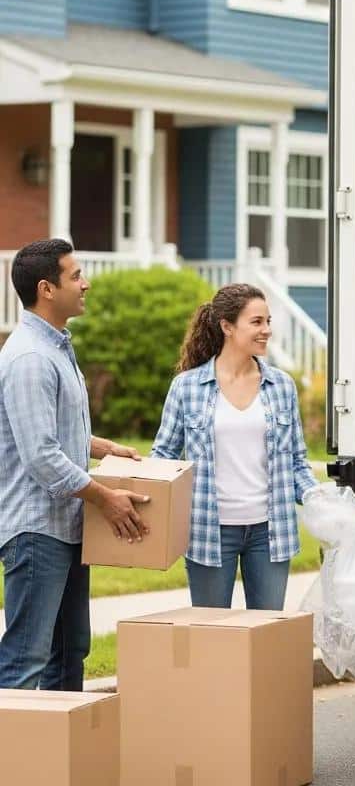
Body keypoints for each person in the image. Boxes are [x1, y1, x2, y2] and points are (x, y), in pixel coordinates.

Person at [0, 239, 148, 690]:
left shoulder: (57, 347)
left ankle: (61, 759)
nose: (86, 283)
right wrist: (107, 499)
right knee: (26, 659)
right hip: (36, 531)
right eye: (75, 275)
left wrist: (102, 448)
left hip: (65, 527)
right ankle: (15, 761)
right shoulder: (30, 358)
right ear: (47, 288)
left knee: (69, 654)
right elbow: (42, 456)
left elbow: (55, 431)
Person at [152, 283, 318, 610]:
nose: (266, 330)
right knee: (211, 636)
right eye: (256, 322)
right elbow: (163, 456)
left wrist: (319, 498)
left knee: (267, 635)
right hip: (208, 531)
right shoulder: (187, 387)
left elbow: (297, 463)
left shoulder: (281, 386)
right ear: (227, 327)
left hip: (271, 532)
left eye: (268, 321)